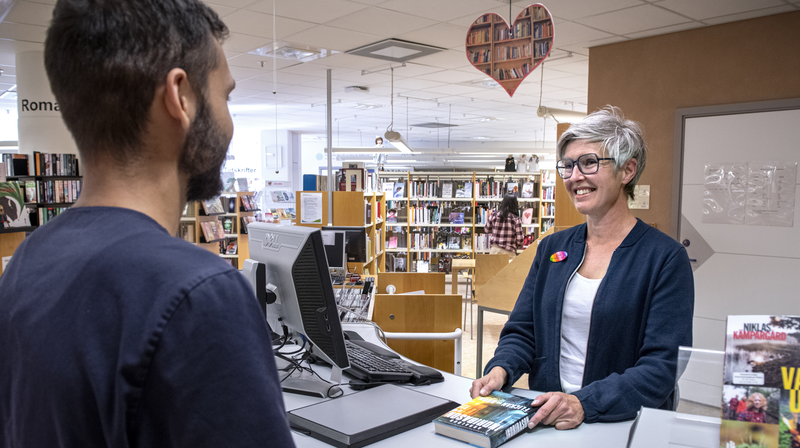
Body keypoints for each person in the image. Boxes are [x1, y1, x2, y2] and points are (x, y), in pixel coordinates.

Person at [0, 1, 295, 447]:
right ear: (181, 97)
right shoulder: (198, 292)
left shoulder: (30, 259)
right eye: (225, 95)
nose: (228, 118)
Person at [471, 106, 694, 430]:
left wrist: (583, 403)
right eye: (568, 165)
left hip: (623, 424)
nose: (575, 176)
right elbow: (523, 329)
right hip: (548, 417)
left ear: (627, 170)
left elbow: (663, 366)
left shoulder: (664, 258)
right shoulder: (553, 248)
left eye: (589, 162)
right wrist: (501, 369)